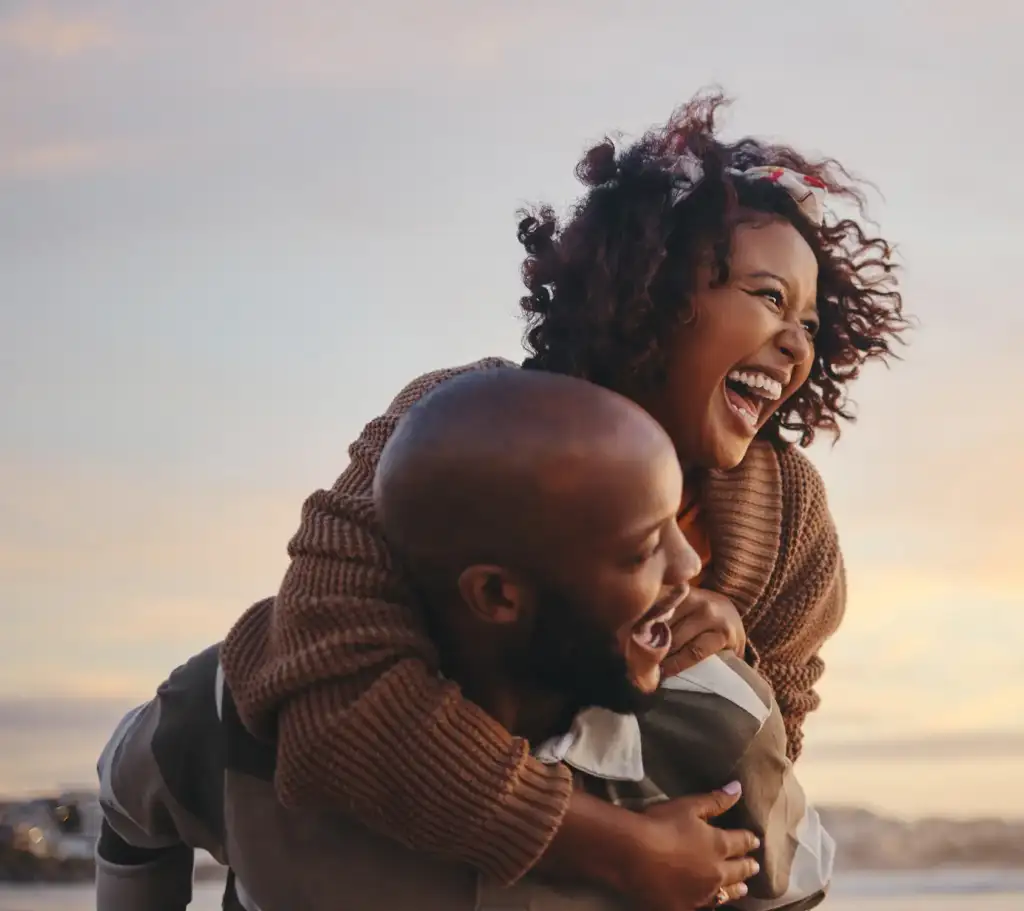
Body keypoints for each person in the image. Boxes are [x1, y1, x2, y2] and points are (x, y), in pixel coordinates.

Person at [220, 91, 907, 910]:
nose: (798, 342)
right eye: (767, 296)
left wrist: (739, 662)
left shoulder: (789, 516)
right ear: (651, 286)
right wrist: (613, 848)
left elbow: (764, 768)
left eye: (810, 319)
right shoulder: (455, 426)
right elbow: (333, 698)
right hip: (372, 857)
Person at [95, 370, 828, 910]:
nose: (693, 567)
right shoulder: (239, 707)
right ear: (497, 593)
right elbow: (129, 805)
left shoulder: (720, 721)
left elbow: (797, 886)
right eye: (642, 550)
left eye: (679, 521)